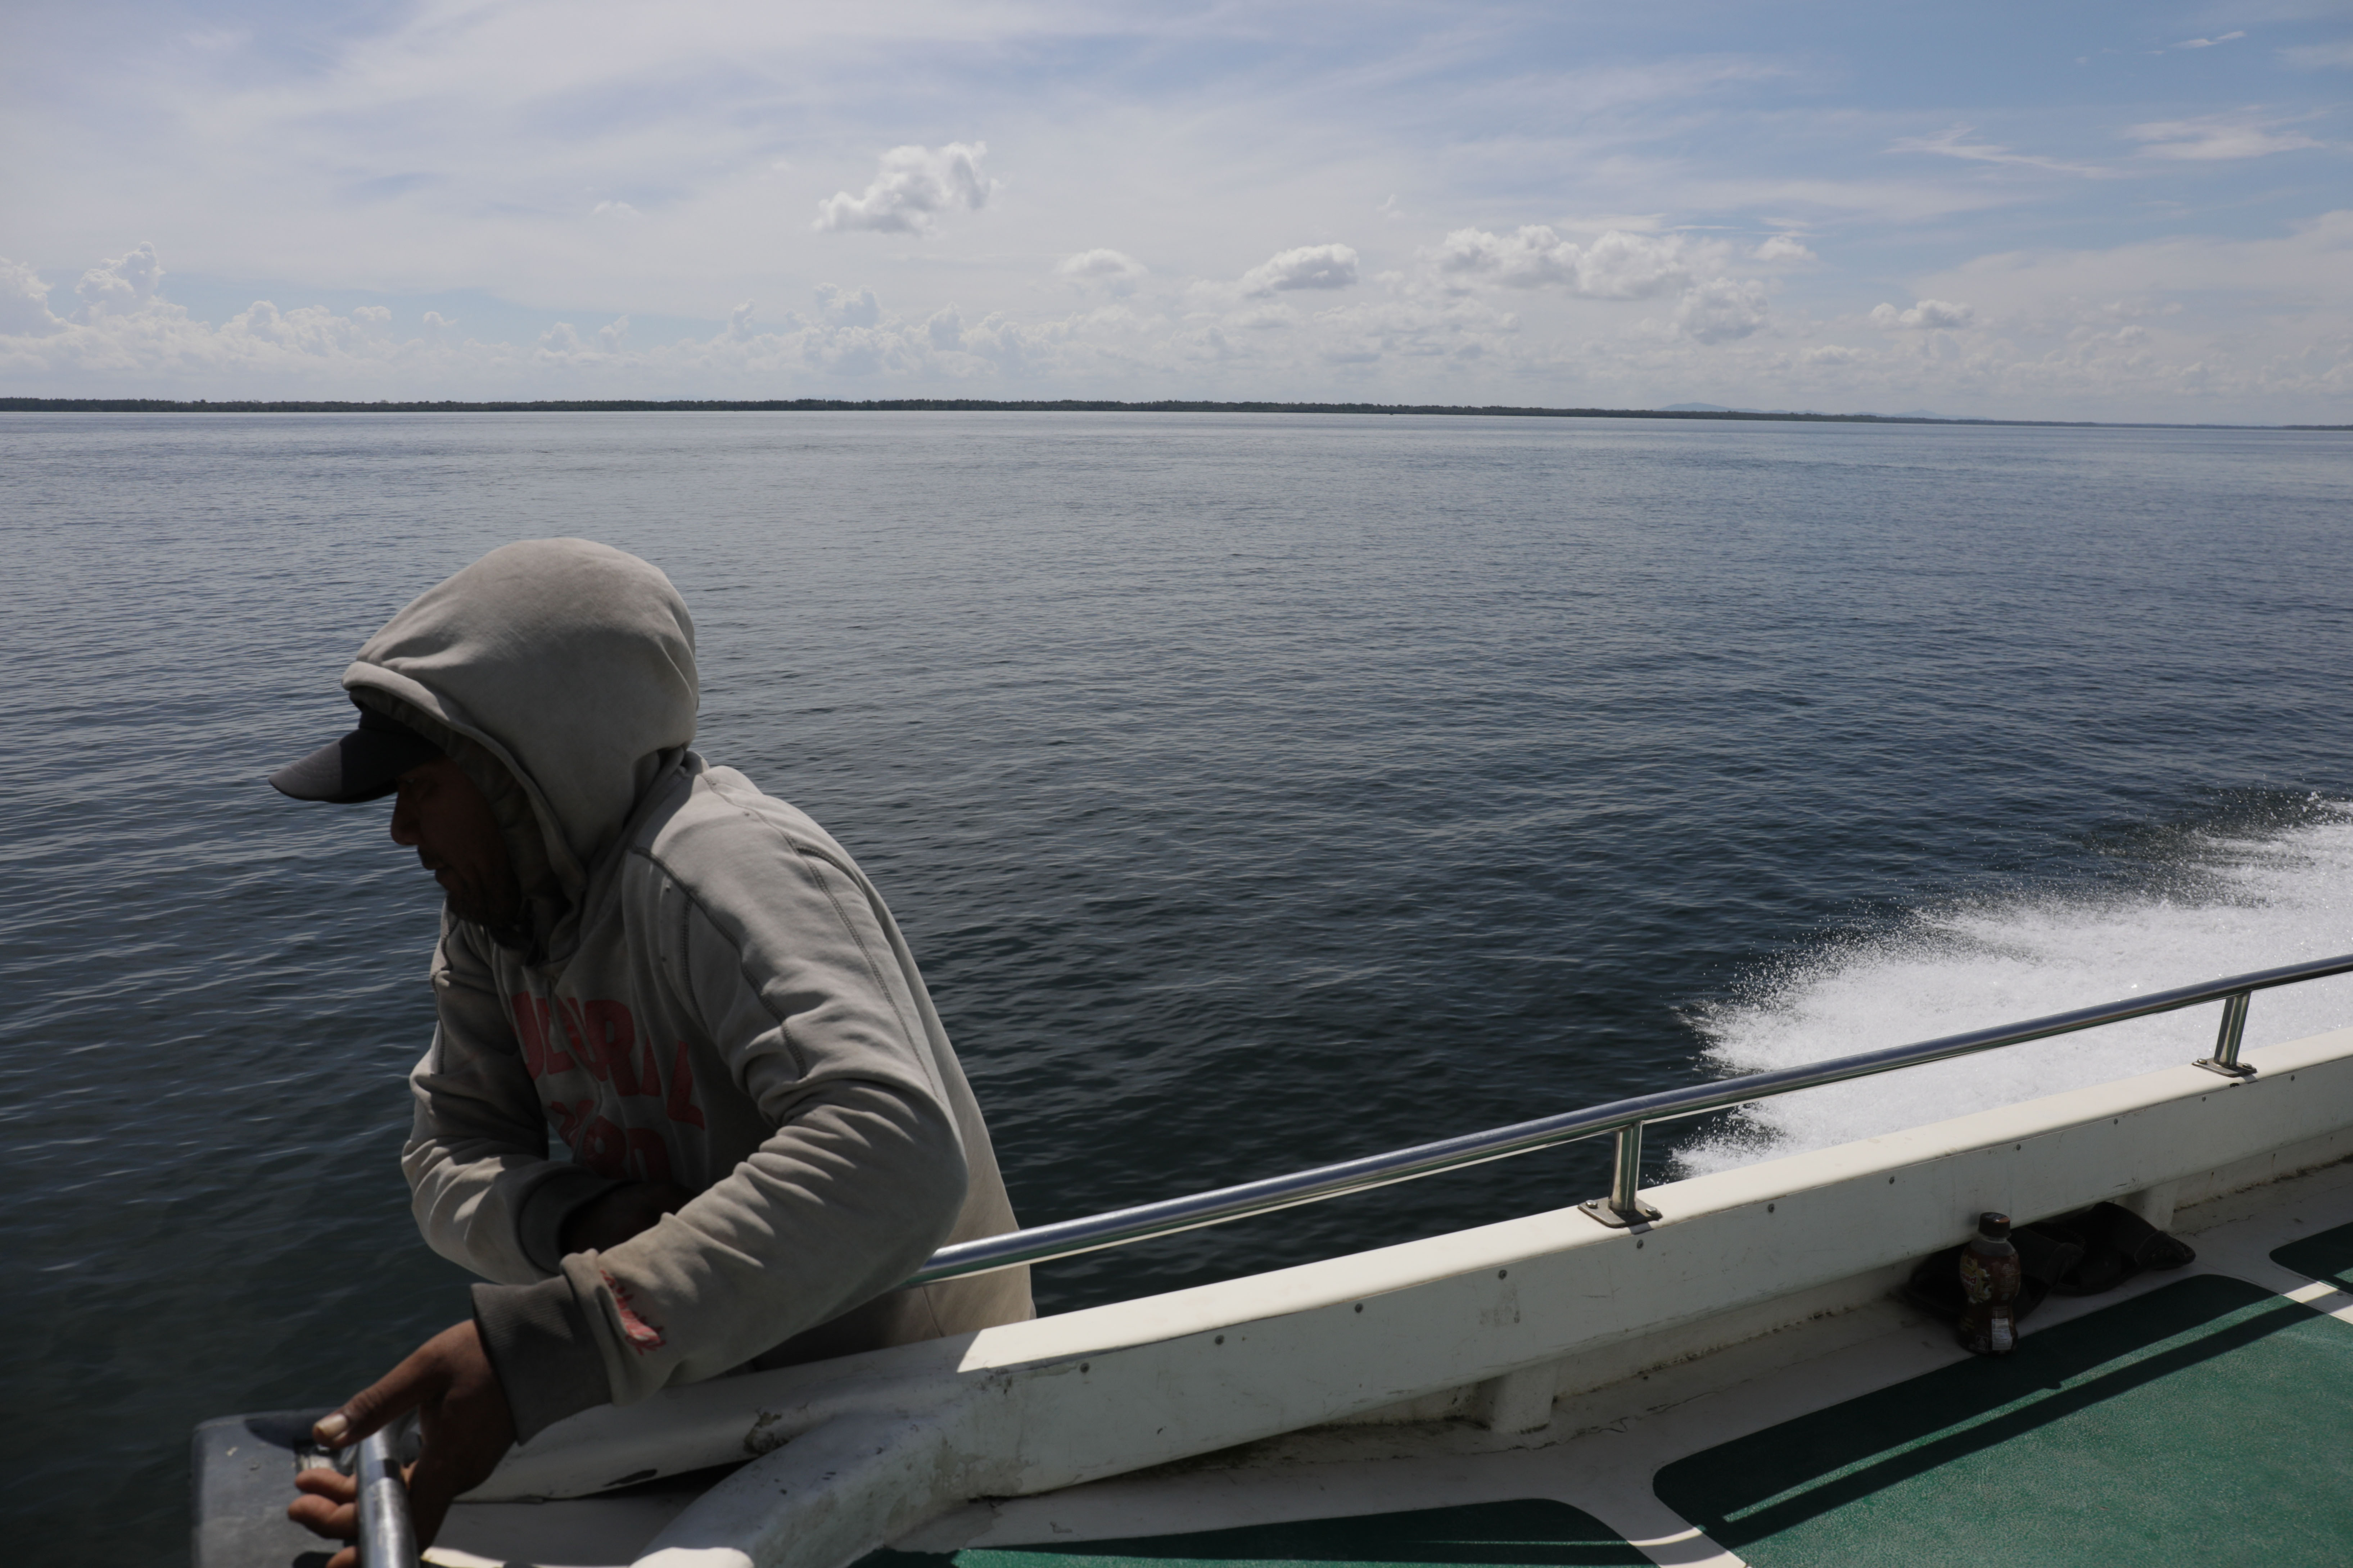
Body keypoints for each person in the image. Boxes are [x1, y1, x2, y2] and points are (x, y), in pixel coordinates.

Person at [268, 539, 1030, 1565]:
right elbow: (441, 1157)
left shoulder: (724, 872)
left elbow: (892, 1154)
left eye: (420, 786)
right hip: (699, 1378)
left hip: (907, 1400)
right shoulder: (496, 919)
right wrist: (573, 1217)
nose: (400, 831)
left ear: (516, 774)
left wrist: (557, 1344)